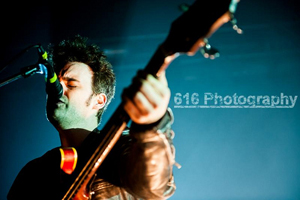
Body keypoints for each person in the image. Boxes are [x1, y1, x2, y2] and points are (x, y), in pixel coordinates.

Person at [7, 35, 177, 200]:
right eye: (56, 83)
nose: (57, 89)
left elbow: (153, 186)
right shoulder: (34, 173)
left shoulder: (124, 148)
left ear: (98, 101)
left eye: (71, 84)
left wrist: (152, 128)